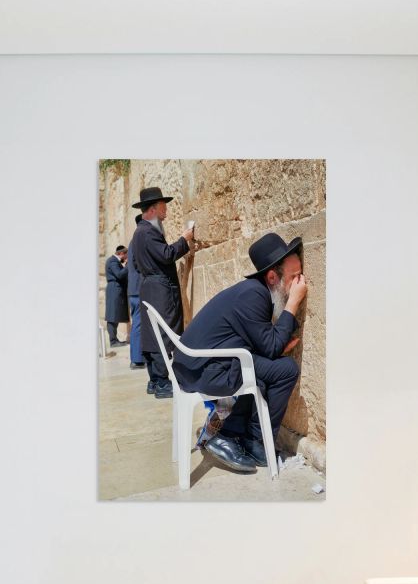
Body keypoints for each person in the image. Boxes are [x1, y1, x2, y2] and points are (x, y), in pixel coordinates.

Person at [172, 232, 309, 473]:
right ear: (272, 276)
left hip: (200, 364)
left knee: (265, 374)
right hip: (204, 371)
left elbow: (263, 343)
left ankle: (244, 436)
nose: (300, 283)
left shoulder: (252, 291)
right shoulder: (254, 295)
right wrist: (293, 303)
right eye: (294, 277)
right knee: (286, 370)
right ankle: (237, 438)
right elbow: (271, 347)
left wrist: (276, 343)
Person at [128, 187, 195, 398]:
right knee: (162, 333)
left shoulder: (140, 233)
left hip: (149, 286)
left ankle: (155, 381)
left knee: (152, 333)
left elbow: (138, 264)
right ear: (153, 209)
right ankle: (162, 382)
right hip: (159, 290)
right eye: (163, 208)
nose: (166, 212)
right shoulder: (148, 232)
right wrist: (184, 239)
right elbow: (166, 255)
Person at [127, 215, 145, 369]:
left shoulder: (132, 241)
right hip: (138, 289)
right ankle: (137, 360)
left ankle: (137, 357)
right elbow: (139, 264)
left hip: (133, 289)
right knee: (138, 324)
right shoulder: (137, 240)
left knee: (137, 324)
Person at [104, 246, 129, 346]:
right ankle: (113, 341)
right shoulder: (113, 261)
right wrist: (128, 265)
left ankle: (114, 340)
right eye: (126, 255)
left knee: (115, 315)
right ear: (121, 254)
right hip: (114, 290)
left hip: (115, 289)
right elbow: (119, 274)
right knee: (112, 316)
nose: (126, 257)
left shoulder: (113, 261)